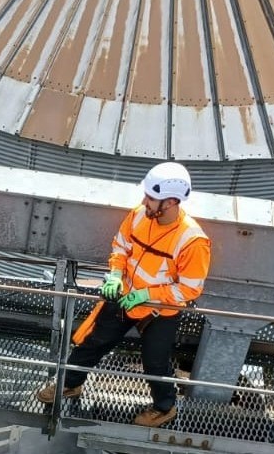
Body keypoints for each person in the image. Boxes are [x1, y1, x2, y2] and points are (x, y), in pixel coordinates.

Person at [36, 162, 211, 427]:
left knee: (155, 361)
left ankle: (165, 408)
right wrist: (116, 274)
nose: (144, 201)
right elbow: (121, 246)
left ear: (171, 201)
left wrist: (147, 295)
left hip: (158, 310)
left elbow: (189, 288)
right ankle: (71, 384)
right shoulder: (139, 215)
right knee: (94, 342)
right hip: (125, 296)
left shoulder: (192, 241)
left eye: (151, 198)